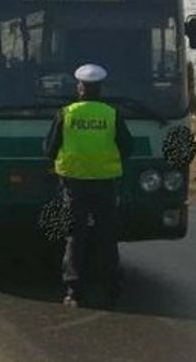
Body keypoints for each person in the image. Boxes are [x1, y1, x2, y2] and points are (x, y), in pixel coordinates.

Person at [44, 64, 133, 308]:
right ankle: (112, 287)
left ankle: (74, 291)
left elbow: (49, 148)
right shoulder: (111, 114)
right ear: (100, 89)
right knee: (107, 236)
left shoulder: (66, 114)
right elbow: (128, 147)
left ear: (81, 88)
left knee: (75, 237)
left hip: (75, 186)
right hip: (105, 184)